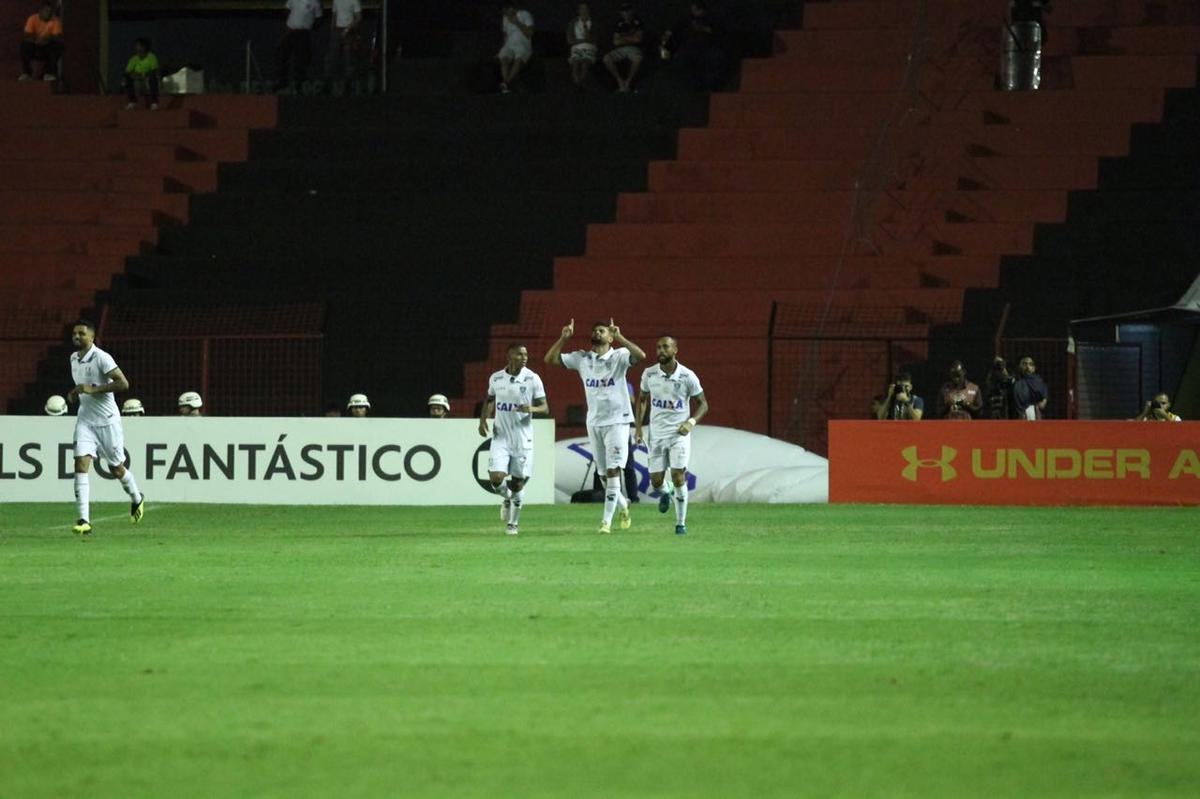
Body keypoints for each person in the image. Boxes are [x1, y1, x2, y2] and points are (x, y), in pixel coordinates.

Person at [545, 318, 646, 534]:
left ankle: (606, 522)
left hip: (618, 421)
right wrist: (563, 338)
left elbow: (641, 356)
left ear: (610, 337)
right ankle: (624, 505)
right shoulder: (582, 358)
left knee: (612, 471)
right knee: (603, 476)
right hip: (594, 423)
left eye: (602, 331)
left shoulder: (619, 356)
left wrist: (620, 337)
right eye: (595, 330)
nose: (597, 333)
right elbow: (550, 359)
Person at [65, 320, 145, 535]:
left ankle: (137, 497)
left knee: (116, 468)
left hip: (108, 421)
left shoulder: (101, 357)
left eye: (81, 333)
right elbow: (83, 384)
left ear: (92, 337)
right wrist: (74, 393)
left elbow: (123, 383)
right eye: (74, 333)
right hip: (85, 421)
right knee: (81, 465)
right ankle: (84, 520)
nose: (77, 337)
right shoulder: (73, 358)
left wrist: (95, 389)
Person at [635, 336, 708, 536]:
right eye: (658, 347)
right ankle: (665, 491)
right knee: (656, 482)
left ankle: (680, 524)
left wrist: (690, 422)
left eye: (665, 346)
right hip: (656, 435)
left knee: (678, 476)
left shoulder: (687, 376)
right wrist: (639, 427)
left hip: (679, 434)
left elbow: (703, 403)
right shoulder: (649, 374)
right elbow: (642, 400)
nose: (661, 350)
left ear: (675, 349)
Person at [478, 343, 548, 535]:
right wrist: (483, 419)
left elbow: (545, 407)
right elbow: (490, 399)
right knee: (496, 479)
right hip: (501, 437)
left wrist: (531, 409)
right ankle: (507, 497)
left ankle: (513, 524)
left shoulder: (533, 379)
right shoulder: (496, 378)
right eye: (520, 354)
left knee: (518, 483)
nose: (525, 357)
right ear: (509, 356)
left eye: (526, 354)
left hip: (522, 438)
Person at [659, 1, 728, 91]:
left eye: (695, 10)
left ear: (702, 10)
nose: (693, 12)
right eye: (692, 10)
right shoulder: (687, 20)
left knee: (713, 60)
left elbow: (718, 33)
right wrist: (667, 36)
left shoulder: (711, 19)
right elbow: (675, 30)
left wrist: (703, 29)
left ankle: (708, 87)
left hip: (707, 48)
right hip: (689, 48)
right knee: (682, 61)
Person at [275, 0, 322, 94]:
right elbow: (287, 9)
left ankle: (298, 85)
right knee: (282, 54)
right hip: (290, 30)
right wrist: (292, 21)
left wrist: (308, 25)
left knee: (300, 59)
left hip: (303, 33)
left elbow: (319, 18)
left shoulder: (315, 3)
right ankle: (282, 81)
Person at [603, 3, 644, 94]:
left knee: (638, 58)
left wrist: (623, 37)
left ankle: (628, 82)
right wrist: (631, 37)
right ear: (621, 13)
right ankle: (620, 81)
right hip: (620, 49)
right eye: (624, 11)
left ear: (632, 11)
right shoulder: (619, 23)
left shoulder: (638, 22)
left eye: (628, 10)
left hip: (634, 48)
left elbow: (638, 39)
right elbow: (615, 41)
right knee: (606, 58)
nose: (626, 13)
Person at [19, 2, 62, 82]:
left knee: (58, 46)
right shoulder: (32, 18)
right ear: (40, 11)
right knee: (24, 45)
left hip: (47, 46)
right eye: (46, 11)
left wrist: (46, 40)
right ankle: (27, 73)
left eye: (49, 11)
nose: (48, 13)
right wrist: (36, 40)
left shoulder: (55, 20)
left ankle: (48, 73)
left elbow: (57, 36)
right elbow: (27, 34)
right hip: (35, 46)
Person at [325, 0, 362, 93]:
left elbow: (358, 17)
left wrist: (349, 28)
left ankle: (348, 82)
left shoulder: (354, 1)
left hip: (349, 31)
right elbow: (334, 16)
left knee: (348, 56)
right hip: (337, 30)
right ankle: (329, 81)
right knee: (333, 56)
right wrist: (333, 29)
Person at [497, 3, 534, 94]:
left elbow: (530, 33)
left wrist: (516, 22)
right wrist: (504, 46)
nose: (505, 13)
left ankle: (506, 83)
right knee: (504, 58)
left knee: (518, 59)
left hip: (522, 43)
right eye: (504, 12)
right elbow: (505, 34)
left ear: (512, 8)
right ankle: (506, 84)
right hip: (509, 44)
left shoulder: (524, 14)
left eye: (506, 11)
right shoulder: (505, 18)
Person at [565, 3, 597, 89]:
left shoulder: (594, 23)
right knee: (575, 64)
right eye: (582, 9)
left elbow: (594, 39)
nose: (584, 11)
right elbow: (570, 40)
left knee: (584, 64)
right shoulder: (573, 23)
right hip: (576, 47)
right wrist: (583, 40)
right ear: (578, 11)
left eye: (586, 9)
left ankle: (579, 86)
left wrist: (586, 27)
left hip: (590, 47)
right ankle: (578, 86)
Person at [123, 38, 160, 111]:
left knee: (153, 78)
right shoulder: (134, 59)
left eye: (138, 46)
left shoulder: (151, 57)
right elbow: (127, 71)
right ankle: (132, 102)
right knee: (127, 78)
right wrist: (133, 75)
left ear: (144, 47)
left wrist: (142, 75)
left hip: (147, 78)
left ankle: (154, 103)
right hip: (137, 79)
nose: (136, 48)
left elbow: (154, 70)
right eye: (136, 46)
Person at [1012, 356, 1048, 420]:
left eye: (1030, 364)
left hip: (1036, 415)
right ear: (1020, 366)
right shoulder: (1016, 382)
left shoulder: (1040, 382)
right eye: (1025, 364)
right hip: (1020, 415)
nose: (1027, 367)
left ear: (1034, 368)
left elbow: (1043, 403)